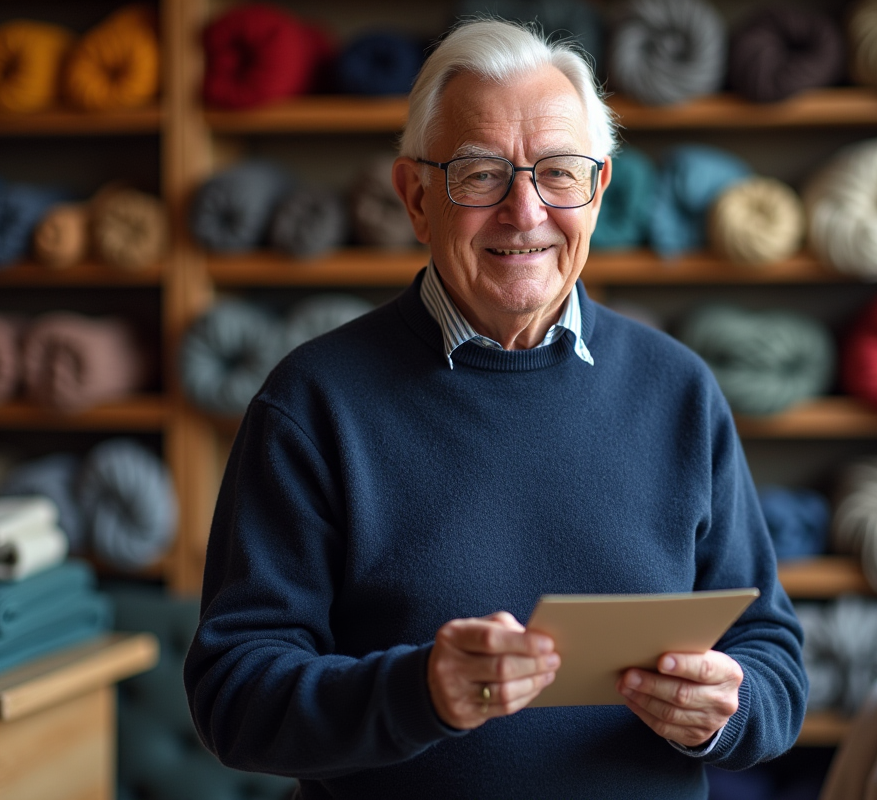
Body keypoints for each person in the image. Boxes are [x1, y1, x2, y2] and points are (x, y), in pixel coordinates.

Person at [184, 17, 807, 799]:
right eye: (480, 174)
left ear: (598, 189)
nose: (525, 211)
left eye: (557, 172)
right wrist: (418, 694)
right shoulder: (311, 403)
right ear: (415, 197)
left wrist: (729, 706)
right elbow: (232, 697)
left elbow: (773, 656)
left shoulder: (679, 389)